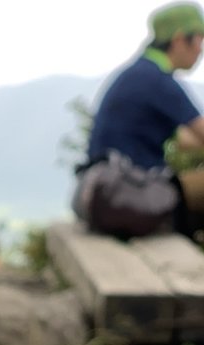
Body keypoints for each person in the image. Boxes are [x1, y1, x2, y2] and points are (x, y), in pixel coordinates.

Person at [75, 2, 204, 239]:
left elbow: (187, 141)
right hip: (127, 194)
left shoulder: (137, 74)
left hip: (101, 194)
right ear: (178, 40)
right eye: (198, 40)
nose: (200, 51)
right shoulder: (158, 81)